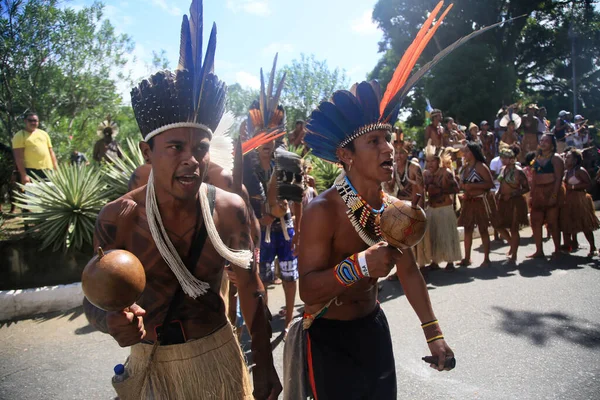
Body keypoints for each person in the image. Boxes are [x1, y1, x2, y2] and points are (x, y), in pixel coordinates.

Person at [82, 3, 281, 399]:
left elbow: (251, 287)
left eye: (201, 148)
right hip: (151, 366)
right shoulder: (117, 219)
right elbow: (94, 297)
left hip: (216, 360)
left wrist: (264, 362)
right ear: (146, 152)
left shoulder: (227, 210)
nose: (192, 159)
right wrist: (110, 320)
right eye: (175, 146)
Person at [241, 57, 302, 334]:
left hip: (284, 229)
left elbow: (296, 203)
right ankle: (264, 316)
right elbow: (240, 199)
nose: (268, 140)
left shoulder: (288, 161)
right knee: (261, 276)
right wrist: (256, 222)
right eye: (261, 136)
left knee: (289, 275)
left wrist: (297, 231)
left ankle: (289, 318)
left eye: (272, 135)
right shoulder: (245, 165)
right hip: (260, 231)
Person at [383, 133, 427, 274]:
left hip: (415, 207)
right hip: (402, 209)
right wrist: (384, 180)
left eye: (402, 153)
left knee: (416, 239)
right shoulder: (394, 168)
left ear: (407, 154)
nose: (399, 156)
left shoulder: (414, 167)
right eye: (397, 153)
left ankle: (421, 266)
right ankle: (402, 270)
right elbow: (390, 188)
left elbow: (422, 190)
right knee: (401, 239)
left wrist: (421, 212)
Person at [422, 142, 462, 272]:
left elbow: (456, 188)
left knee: (447, 236)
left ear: (438, 161)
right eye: (427, 162)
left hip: (445, 209)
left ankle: (450, 261)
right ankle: (435, 261)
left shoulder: (446, 173)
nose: (429, 164)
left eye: (432, 161)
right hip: (432, 209)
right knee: (434, 236)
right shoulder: (426, 174)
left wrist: (440, 191)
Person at [457, 141, 496, 267]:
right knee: (468, 229)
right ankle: (467, 258)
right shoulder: (465, 168)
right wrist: (463, 187)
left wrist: (472, 186)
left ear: (473, 153)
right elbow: (462, 185)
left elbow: (490, 184)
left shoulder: (480, 166)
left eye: (467, 151)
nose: (465, 153)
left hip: (480, 201)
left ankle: (486, 258)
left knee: (483, 229)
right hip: (469, 202)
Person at [528, 134, 565, 259]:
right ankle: (539, 250)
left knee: (552, 222)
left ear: (552, 144)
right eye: (541, 140)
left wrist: (554, 195)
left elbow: (559, 178)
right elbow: (533, 178)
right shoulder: (536, 158)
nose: (543, 143)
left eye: (546, 141)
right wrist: (531, 195)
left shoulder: (556, 159)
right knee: (535, 221)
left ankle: (557, 249)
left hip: (551, 190)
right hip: (538, 192)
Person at [560, 148, 599, 256]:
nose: (566, 160)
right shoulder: (566, 171)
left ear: (575, 160)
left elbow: (588, 184)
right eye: (566, 157)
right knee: (566, 223)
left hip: (580, 199)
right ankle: (568, 246)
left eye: (568, 157)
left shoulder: (580, 170)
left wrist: (573, 186)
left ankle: (592, 247)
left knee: (584, 224)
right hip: (567, 200)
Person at [494, 145, 530, 262]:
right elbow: (502, 184)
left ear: (511, 159)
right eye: (502, 158)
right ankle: (511, 243)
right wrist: (498, 193)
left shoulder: (519, 172)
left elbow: (526, 188)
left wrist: (513, 194)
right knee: (498, 225)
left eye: (505, 158)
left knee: (514, 229)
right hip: (503, 201)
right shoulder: (503, 169)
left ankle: (514, 254)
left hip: (515, 202)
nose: (502, 160)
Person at [11, 112, 57, 183]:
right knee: (32, 194)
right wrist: (24, 175)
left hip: (48, 171)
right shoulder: (19, 136)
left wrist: (56, 170)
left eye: (35, 120)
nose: (33, 122)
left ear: (38, 122)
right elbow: (18, 157)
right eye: (30, 120)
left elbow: (51, 152)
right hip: (31, 172)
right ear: (25, 121)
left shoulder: (44, 134)